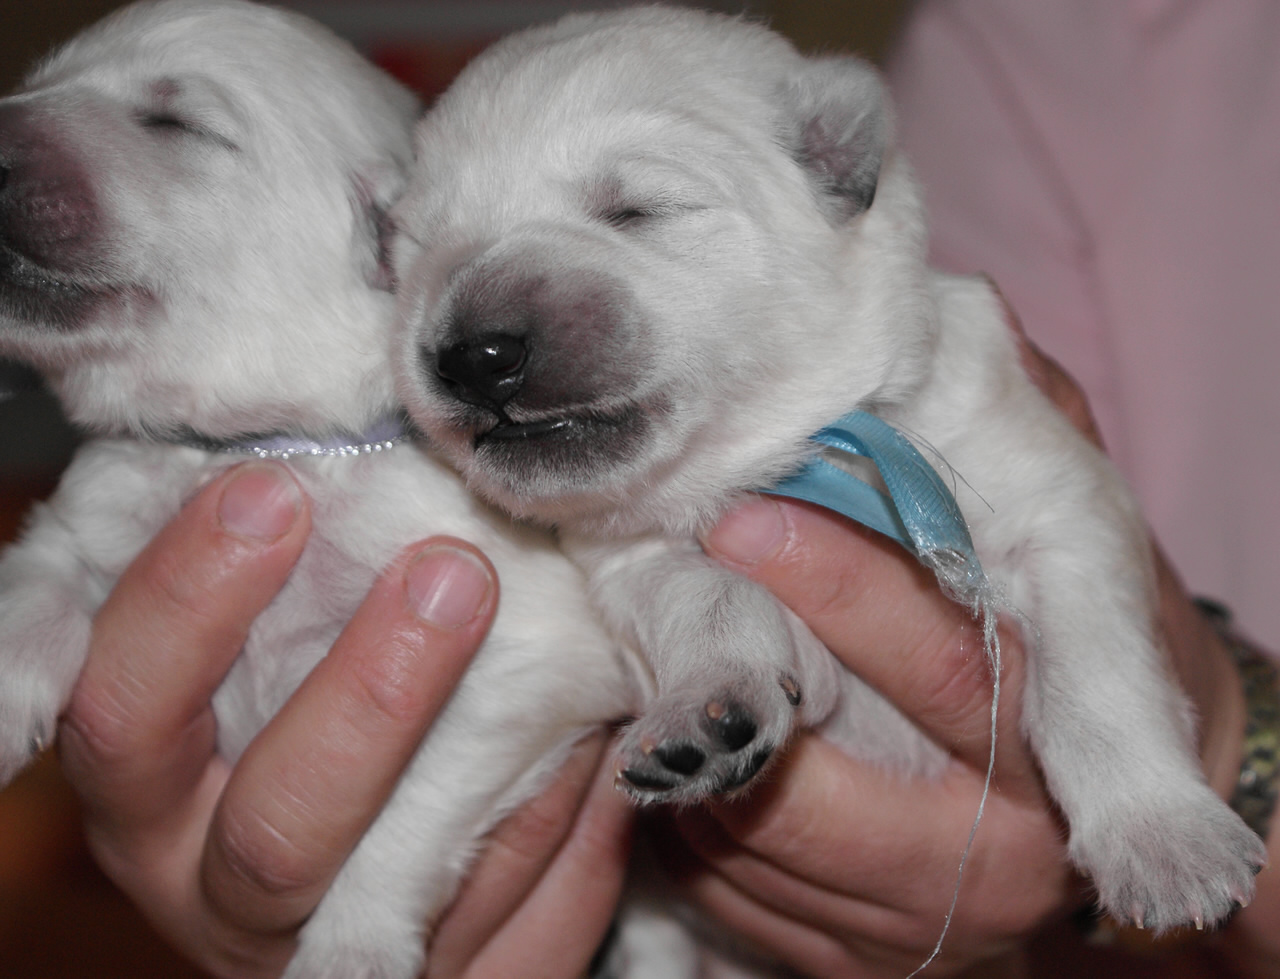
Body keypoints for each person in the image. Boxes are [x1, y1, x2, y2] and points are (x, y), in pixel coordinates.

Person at [48, 1, 1280, 975]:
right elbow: (630, 590)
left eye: (634, 208)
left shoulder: (962, 374)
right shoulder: (1020, 44)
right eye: (423, 251)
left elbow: (1064, 540)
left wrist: (1164, 773)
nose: (479, 329)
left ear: (834, 167)